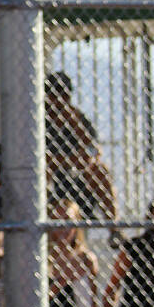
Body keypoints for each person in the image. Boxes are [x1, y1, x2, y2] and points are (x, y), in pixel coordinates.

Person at [44, 71, 117, 221]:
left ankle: (113, 226)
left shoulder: (77, 119)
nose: (58, 102)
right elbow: (45, 160)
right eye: (53, 96)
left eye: (63, 96)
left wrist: (75, 123)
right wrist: (68, 160)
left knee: (100, 170)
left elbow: (94, 150)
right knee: (46, 168)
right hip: (52, 180)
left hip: (77, 177)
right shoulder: (40, 121)